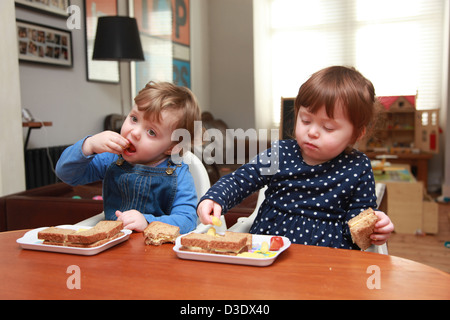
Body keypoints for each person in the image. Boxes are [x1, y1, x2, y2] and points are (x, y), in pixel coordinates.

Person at [197, 66, 394, 250]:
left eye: (328, 127)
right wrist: (216, 198)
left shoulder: (358, 167)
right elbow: (241, 180)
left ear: (356, 134)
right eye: (306, 120)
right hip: (268, 250)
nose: (313, 132)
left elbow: (359, 219)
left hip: (329, 260)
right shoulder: (281, 153)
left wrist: (377, 226)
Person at [56, 81, 201, 233]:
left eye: (151, 132)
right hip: (110, 244)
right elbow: (66, 174)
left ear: (172, 147)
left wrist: (147, 221)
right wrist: (88, 146)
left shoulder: (179, 175)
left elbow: (187, 220)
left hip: (155, 249)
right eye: (134, 119)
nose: (135, 132)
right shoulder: (112, 158)